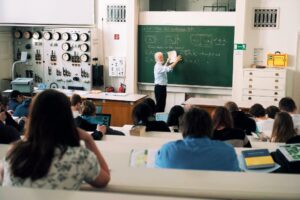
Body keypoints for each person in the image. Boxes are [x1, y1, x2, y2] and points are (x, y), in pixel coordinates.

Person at [0, 89, 110, 189]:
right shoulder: (79, 157)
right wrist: (88, 139)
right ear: (67, 118)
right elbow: (104, 179)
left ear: (32, 118)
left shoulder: (12, 154)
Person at [155, 107, 240, 171]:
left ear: (183, 128)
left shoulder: (168, 150)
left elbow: (157, 170)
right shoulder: (228, 151)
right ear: (210, 127)